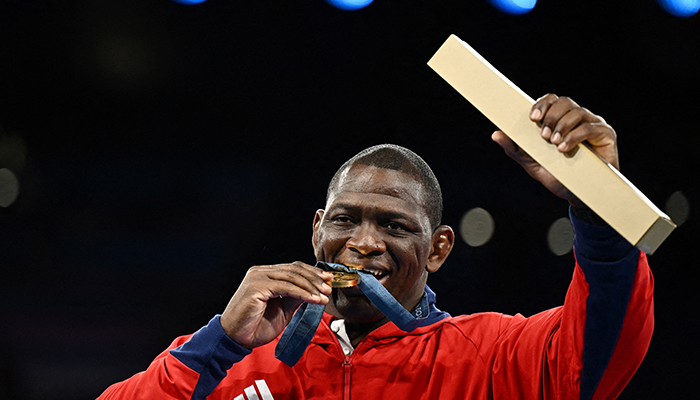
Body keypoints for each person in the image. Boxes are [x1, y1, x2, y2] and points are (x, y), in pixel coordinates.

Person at [97, 94, 653, 400]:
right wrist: (218, 341)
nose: (363, 244)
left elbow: (600, 346)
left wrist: (598, 203)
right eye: (345, 220)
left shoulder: (493, 359)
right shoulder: (229, 362)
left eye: (394, 227)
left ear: (438, 249)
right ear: (317, 230)